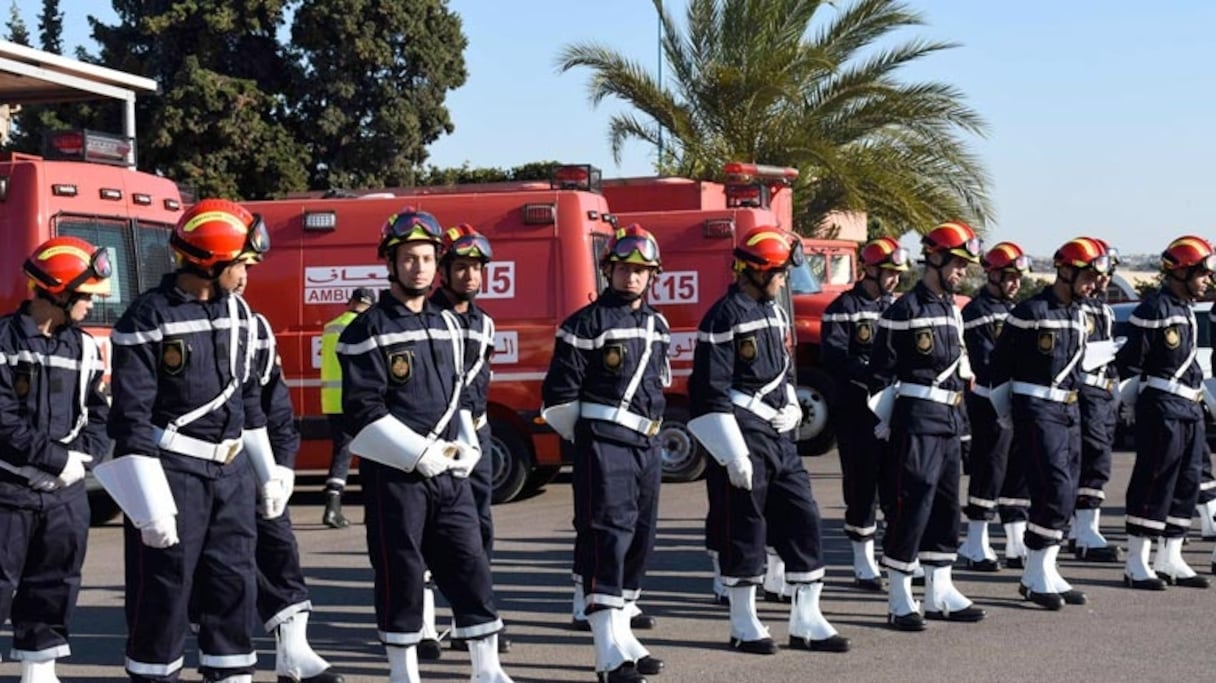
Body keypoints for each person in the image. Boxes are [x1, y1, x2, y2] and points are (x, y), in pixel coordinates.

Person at [99, 198, 287, 682]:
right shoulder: (147, 319)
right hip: (173, 473)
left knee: (233, 589)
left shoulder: (243, 317)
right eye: (241, 263)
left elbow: (249, 401)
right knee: (163, 594)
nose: (247, 273)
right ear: (211, 261)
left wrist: (267, 473)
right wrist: (150, 505)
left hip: (231, 474)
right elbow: (131, 419)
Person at [338, 209, 511, 683]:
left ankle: (487, 669)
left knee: (471, 563)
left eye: (428, 258)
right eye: (409, 258)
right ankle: (404, 672)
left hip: (450, 472)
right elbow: (362, 411)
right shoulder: (365, 330)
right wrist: (418, 454)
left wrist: (467, 441)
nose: (420, 268)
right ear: (390, 264)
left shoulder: (451, 325)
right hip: (395, 474)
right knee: (402, 570)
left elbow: (460, 394)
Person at [689, 226, 849, 655]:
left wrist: (794, 405)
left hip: (780, 436)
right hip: (743, 433)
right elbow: (708, 391)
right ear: (755, 271)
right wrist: (731, 451)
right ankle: (743, 621)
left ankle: (807, 619)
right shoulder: (723, 317)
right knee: (744, 528)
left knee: (803, 519)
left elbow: (785, 369)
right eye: (779, 272)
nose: (784, 280)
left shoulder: (775, 312)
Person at [541, 223, 669, 683]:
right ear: (608, 269)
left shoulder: (657, 325)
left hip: (647, 445)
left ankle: (624, 635)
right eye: (623, 269)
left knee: (639, 540)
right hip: (605, 443)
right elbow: (558, 398)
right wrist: (594, 439)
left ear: (652, 275)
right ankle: (606, 654)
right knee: (606, 542)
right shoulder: (583, 324)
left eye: (641, 271)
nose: (631, 278)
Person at [0, 237, 111, 683]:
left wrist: (79, 462)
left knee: (55, 584)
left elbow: (101, 414)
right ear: (57, 291)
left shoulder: (85, 348)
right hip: (8, 489)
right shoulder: (4, 342)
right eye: (85, 296)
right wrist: (50, 460)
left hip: (63, 495)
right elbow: (3, 420)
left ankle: (39, 671)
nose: (90, 305)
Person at [868, 221, 986, 631]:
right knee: (911, 503)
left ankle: (940, 591)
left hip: (950, 419)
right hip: (916, 420)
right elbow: (881, 370)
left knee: (945, 506)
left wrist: (964, 425)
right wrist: (885, 419)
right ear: (933, 259)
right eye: (956, 263)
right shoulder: (905, 310)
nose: (961, 272)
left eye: (964, 265)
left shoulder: (951, 308)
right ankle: (900, 595)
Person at [236, 269, 344, 682]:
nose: (244, 275)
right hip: (195, 467)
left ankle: (293, 653)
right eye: (236, 264)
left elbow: (276, 406)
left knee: (280, 550)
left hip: (255, 463)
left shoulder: (256, 328)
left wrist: (282, 468)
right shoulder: (163, 319)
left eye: (248, 265)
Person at [989, 237, 1106, 610]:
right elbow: (1000, 367)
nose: (1092, 285)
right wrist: (1008, 412)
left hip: (1069, 411)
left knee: (1068, 491)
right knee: (1053, 489)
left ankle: (1047, 569)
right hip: (1037, 409)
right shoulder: (1031, 311)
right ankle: (1033, 573)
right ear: (1066, 272)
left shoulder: (1078, 314)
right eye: (1087, 277)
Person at [426, 223, 511, 657]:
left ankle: (471, 621)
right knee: (427, 533)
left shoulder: (485, 322)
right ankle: (423, 627)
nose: (470, 276)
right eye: (461, 268)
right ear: (444, 270)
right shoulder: (428, 316)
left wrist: (475, 430)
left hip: (475, 434)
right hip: (434, 439)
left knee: (478, 533)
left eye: (476, 268)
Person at [1114, 235, 1214, 591]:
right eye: (1201, 273)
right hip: (1163, 407)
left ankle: (1170, 557)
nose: (1207, 280)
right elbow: (1130, 363)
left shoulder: (1184, 308)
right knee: (1154, 481)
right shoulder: (1154, 308)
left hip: (1189, 407)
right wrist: (1131, 405)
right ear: (1181, 272)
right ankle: (1136, 562)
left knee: (1186, 484)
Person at [820, 236, 910, 590]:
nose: (893, 279)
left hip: (892, 408)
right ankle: (863, 560)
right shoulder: (843, 308)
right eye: (888, 272)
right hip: (858, 411)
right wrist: (871, 375)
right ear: (869, 269)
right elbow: (834, 357)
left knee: (895, 484)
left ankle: (894, 555)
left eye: (897, 273)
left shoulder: (898, 307)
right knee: (861, 486)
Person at [957, 241, 1032, 572]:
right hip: (989, 399)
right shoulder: (977, 311)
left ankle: (1016, 542)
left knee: (1018, 472)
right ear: (993, 275)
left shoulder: (1016, 310)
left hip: (1015, 398)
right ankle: (976, 542)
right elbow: (985, 360)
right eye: (1010, 276)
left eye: (1018, 277)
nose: (1015, 282)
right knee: (990, 469)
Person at [1069, 237, 1123, 563]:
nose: (1102, 281)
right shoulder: (1079, 308)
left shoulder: (1104, 309)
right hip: (1085, 389)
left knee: (1099, 460)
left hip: (1104, 391)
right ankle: (1084, 530)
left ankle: (1086, 529)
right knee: (1091, 460)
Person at [319, 287, 375, 529]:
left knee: (342, 453)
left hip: (332, 400)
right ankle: (372, 510)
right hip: (359, 401)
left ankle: (333, 506)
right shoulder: (367, 326)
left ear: (350, 301)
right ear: (370, 304)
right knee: (372, 454)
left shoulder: (331, 326)